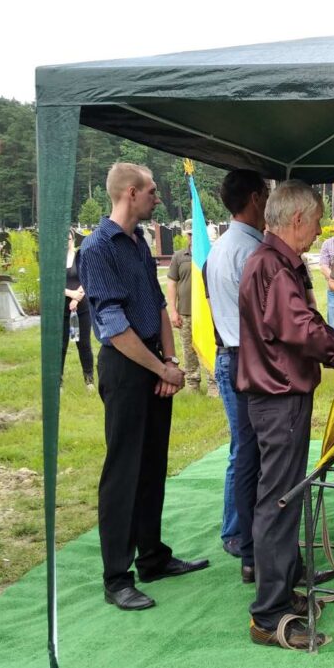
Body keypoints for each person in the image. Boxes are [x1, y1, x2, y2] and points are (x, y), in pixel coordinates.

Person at [237, 180, 334, 650]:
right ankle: (269, 615)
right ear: (298, 219)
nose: (320, 229)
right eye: (318, 220)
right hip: (277, 397)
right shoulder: (272, 265)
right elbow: (300, 328)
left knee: (283, 497)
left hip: (280, 394)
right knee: (279, 501)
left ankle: (283, 590)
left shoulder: (275, 262)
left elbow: (305, 323)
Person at [79, 162, 209, 611]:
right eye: (152, 191)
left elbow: (155, 305)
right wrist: (160, 368)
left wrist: (169, 362)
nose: (158, 198)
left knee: (152, 464)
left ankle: (152, 556)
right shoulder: (98, 248)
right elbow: (114, 326)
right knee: (123, 472)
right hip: (126, 366)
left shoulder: (138, 241)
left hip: (153, 362)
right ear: (130, 193)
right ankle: (117, 576)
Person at [204, 169, 269, 568]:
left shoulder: (223, 246)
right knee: (249, 452)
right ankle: (242, 537)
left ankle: (245, 537)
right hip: (246, 356)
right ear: (256, 198)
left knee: (247, 450)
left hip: (234, 353)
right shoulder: (249, 251)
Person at [166, 220, 217, 395]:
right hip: (186, 312)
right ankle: (192, 382)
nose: (192, 237)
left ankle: (214, 382)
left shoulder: (212, 254)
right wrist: (173, 311)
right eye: (190, 234)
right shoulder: (179, 257)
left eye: (195, 234)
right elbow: (172, 284)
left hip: (208, 312)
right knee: (188, 350)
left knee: (210, 345)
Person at [62, 229, 94, 390]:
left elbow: (87, 278)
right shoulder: (55, 261)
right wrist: (70, 294)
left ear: (73, 240)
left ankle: (89, 380)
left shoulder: (80, 256)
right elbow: (53, 282)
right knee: (61, 346)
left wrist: (76, 298)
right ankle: (58, 382)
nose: (65, 242)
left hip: (81, 308)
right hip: (62, 309)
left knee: (84, 345)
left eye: (68, 238)